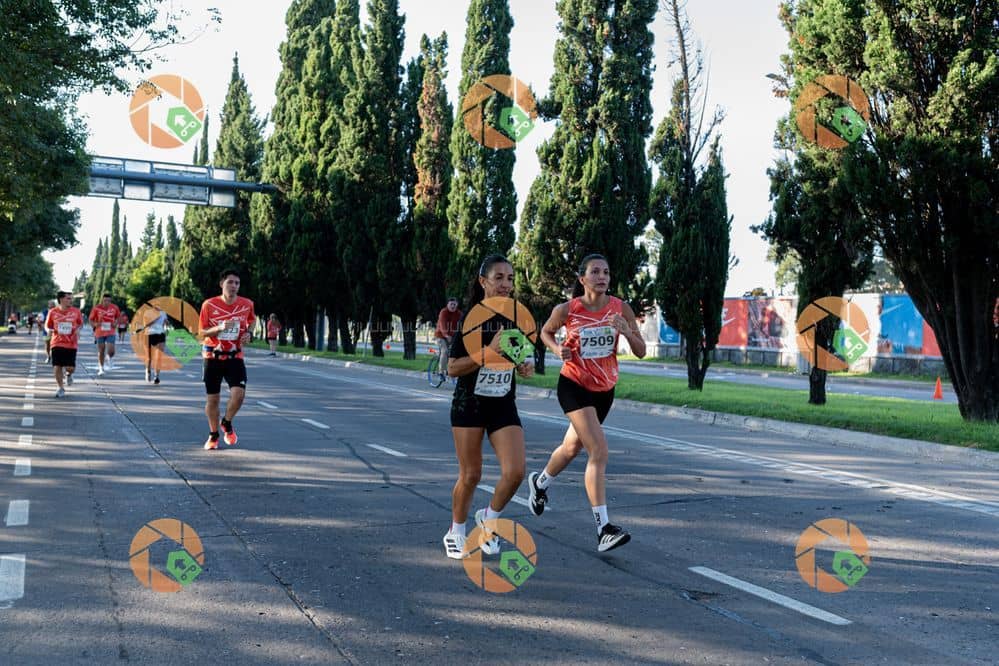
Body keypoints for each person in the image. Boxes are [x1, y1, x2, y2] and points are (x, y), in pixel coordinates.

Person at [526, 254, 647, 553]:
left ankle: (540, 483)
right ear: (582, 279)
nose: (602, 277)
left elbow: (641, 351)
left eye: (606, 272)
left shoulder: (621, 308)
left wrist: (627, 330)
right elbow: (545, 332)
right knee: (598, 450)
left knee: (571, 448)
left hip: (604, 390)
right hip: (574, 385)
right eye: (595, 272)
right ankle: (603, 528)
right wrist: (557, 349)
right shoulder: (567, 309)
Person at [442, 255, 535, 559]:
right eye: (499, 278)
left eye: (510, 278)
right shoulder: (471, 320)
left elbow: (521, 358)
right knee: (471, 475)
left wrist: (524, 366)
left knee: (516, 472)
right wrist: (487, 351)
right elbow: (452, 368)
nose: (506, 284)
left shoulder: (516, 319)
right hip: (469, 405)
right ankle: (456, 531)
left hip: (503, 404)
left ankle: (488, 519)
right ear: (483, 282)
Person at [198, 268, 256, 450]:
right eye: (230, 282)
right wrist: (219, 328)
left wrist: (249, 333)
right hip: (212, 356)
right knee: (213, 400)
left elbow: (252, 320)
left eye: (237, 283)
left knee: (239, 395)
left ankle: (227, 422)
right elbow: (201, 332)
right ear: (221, 284)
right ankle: (213, 435)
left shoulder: (247, 304)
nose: (234, 286)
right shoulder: (209, 305)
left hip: (235, 356)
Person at [44, 291, 84, 398]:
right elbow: (47, 325)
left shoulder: (76, 311)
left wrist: (78, 329)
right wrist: (48, 330)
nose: (71, 300)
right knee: (57, 365)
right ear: (61, 300)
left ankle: (69, 374)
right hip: (57, 342)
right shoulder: (53, 312)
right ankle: (60, 387)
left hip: (71, 343)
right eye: (68, 298)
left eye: (71, 298)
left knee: (70, 368)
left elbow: (80, 324)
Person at [89, 293, 121, 376]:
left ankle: (109, 357)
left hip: (111, 331)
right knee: (101, 350)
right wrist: (95, 325)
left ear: (111, 301)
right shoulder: (96, 308)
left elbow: (118, 317)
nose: (107, 302)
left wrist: (116, 323)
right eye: (105, 301)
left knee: (111, 350)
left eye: (109, 301)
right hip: (99, 331)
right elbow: (91, 319)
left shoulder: (114, 307)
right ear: (102, 300)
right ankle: (101, 368)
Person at [434, 297, 462, 378]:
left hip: (452, 336)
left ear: (457, 305)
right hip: (440, 336)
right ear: (447, 305)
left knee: (457, 352)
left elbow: (463, 324)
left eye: (454, 304)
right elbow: (442, 325)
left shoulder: (459, 313)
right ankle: (441, 372)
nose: (453, 306)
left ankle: (453, 369)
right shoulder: (444, 312)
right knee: (445, 351)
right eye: (451, 304)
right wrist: (446, 335)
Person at [143, 306, 168, 384]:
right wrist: (155, 319)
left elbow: (164, 324)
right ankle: (148, 371)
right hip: (149, 335)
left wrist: (166, 324)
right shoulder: (147, 313)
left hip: (160, 335)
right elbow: (146, 324)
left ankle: (156, 376)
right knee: (149, 358)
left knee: (159, 357)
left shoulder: (163, 313)